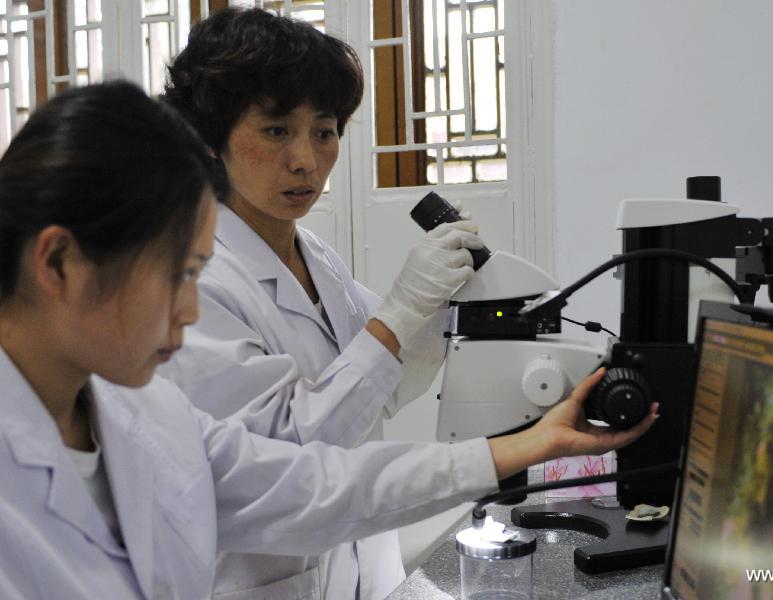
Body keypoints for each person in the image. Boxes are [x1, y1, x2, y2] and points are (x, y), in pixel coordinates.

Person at [0, 81, 657, 600]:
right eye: (179, 276)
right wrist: (400, 314)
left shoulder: (145, 415)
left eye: (325, 132)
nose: (191, 310)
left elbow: (315, 484)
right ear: (60, 263)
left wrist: (523, 446)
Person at [159, 7, 485, 599]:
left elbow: (381, 381)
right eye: (277, 130)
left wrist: (445, 304)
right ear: (210, 140)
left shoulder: (314, 253)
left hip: (357, 573)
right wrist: (400, 313)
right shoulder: (195, 280)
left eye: (325, 130)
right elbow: (287, 456)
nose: (306, 160)